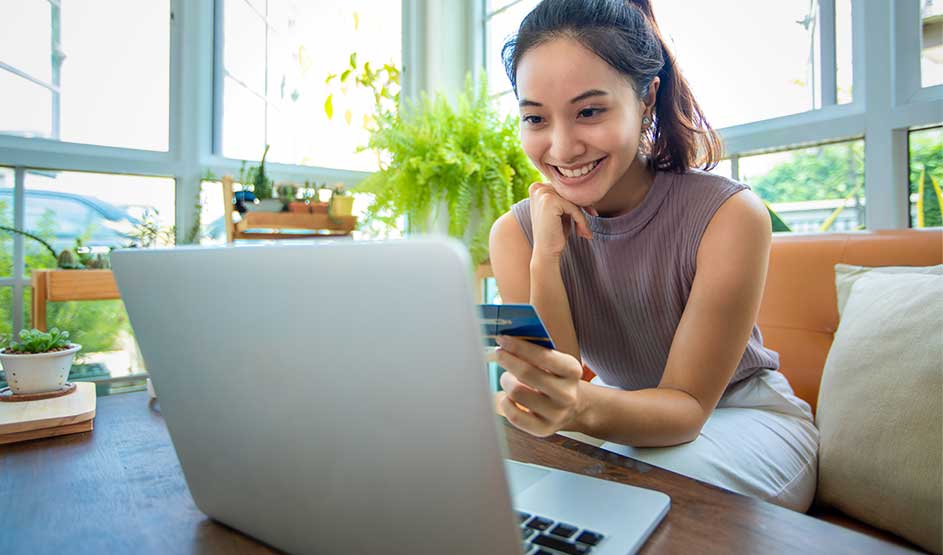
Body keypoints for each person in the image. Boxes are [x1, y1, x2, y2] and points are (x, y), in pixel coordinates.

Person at [488, 0, 818, 512]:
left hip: (742, 415)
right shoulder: (517, 234)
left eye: (590, 111)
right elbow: (560, 376)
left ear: (647, 99)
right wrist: (546, 259)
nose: (562, 147)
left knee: (624, 495)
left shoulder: (728, 214)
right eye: (535, 118)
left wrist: (572, 405)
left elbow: (685, 410)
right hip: (622, 418)